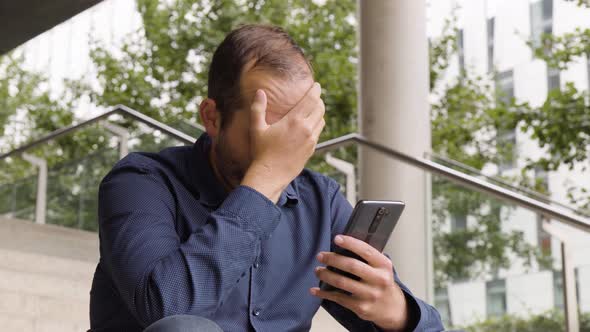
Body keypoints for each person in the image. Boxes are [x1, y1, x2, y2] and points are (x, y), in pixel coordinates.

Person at [89, 24, 444, 332]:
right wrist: (264, 181)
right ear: (212, 118)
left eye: (298, 128)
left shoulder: (320, 202)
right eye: (269, 127)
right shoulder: (141, 182)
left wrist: (397, 312)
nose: (285, 145)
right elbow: (167, 309)